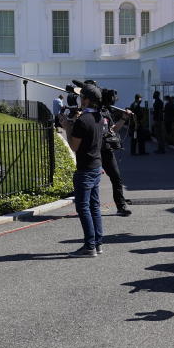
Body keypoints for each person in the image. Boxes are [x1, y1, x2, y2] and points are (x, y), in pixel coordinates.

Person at [60, 84, 106, 256]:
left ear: (86, 100)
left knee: (83, 207)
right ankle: (97, 243)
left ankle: (89, 246)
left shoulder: (81, 121)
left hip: (85, 169)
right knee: (94, 206)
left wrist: (67, 127)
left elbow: (73, 146)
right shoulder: (99, 117)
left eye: (81, 97)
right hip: (96, 166)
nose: (79, 99)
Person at [101, 102, 133, 217]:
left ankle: (121, 207)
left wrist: (124, 118)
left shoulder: (105, 112)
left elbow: (113, 129)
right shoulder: (86, 112)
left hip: (107, 150)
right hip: (92, 151)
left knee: (116, 178)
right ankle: (88, 208)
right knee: (91, 182)